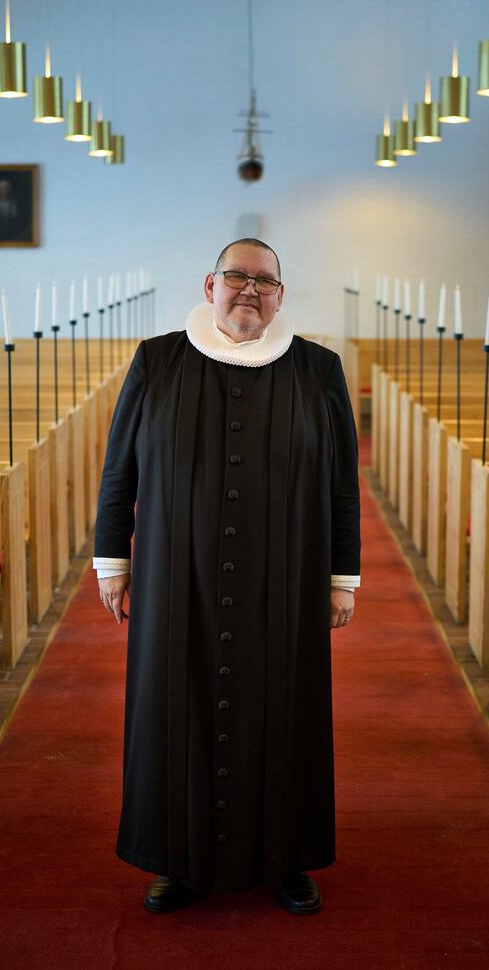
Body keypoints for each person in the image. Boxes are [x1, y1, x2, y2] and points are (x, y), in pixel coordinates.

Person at [94, 238, 360, 917]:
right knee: (173, 709)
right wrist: (112, 563)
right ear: (209, 283)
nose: (250, 289)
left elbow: (341, 485)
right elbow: (119, 469)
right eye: (237, 276)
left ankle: (287, 858)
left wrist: (342, 576)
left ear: (281, 295)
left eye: (265, 281)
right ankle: (175, 860)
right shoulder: (157, 362)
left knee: (286, 710)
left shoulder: (318, 370)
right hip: (174, 579)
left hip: (287, 580)